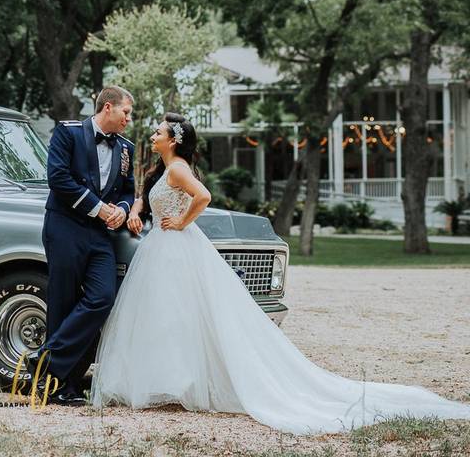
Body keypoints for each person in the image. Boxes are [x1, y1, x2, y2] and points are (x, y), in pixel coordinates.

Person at [90, 112, 470, 433]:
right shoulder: (166, 167)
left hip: (174, 247)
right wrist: (142, 211)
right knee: (169, 317)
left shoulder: (178, 169)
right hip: (162, 247)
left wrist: (183, 222)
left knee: (181, 316)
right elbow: (150, 198)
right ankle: (169, 380)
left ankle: (184, 382)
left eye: (158, 131)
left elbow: (202, 196)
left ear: (172, 140)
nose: (152, 134)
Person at [26, 86, 136, 406]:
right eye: (125, 112)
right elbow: (58, 178)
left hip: (100, 235)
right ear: (107, 108)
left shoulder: (125, 147)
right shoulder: (68, 133)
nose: (129, 119)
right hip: (65, 228)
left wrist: (123, 210)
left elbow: (128, 191)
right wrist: (99, 208)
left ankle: (46, 359)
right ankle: (64, 388)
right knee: (63, 302)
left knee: (102, 298)